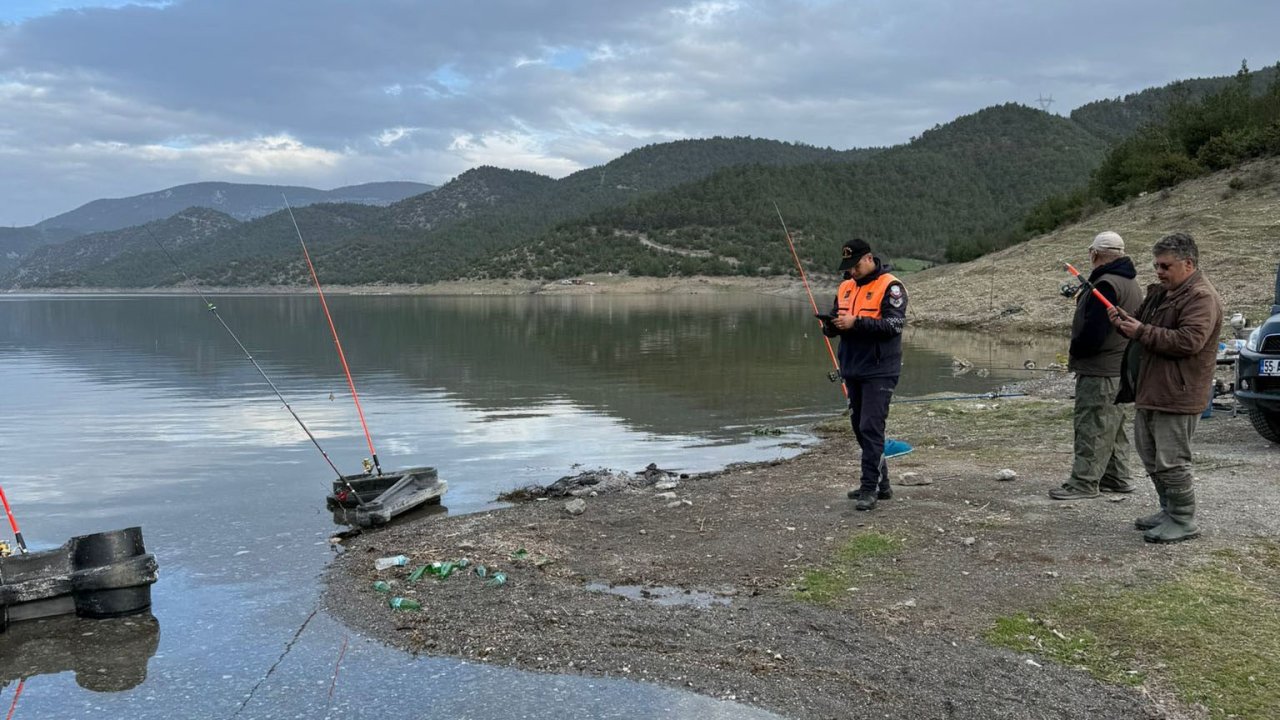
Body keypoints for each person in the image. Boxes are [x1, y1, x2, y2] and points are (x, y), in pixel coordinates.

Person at [1108, 232, 1223, 543]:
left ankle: (1184, 519)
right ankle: (1168, 509)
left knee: (1172, 460)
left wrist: (1142, 330)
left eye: (1165, 266)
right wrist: (1125, 322)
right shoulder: (1163, 293)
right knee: (1150, 455)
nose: (1158, 271)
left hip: (1178, 393)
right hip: (1152, 389)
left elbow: (1189, 341)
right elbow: (1145, 327)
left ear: (1188, 264)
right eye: (1156, 265)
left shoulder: (1201, 297)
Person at [1050, 231, 1143, 500]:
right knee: (1113, 426)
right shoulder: (1129, 281)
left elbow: (1094, 333)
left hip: (1101, 370)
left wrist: (1077, 352)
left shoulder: (1105, 284)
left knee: (1092, 425)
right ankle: (1117, 477)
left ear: (1094, 254)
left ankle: (1084, 483)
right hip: (1120, 369)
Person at [822, 238, 907, 511]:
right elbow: (839, 319)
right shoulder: (845, 286)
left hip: (880, 370)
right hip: (852, 367)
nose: (852, 272)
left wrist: (856, 322)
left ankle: (868, 488)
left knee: (871, 427)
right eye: (848, 267)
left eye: (856, 265)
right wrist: (830, 326)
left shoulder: (891, 286)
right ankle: (882, 485)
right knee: (860, 428)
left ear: (869, 259)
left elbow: (893, 325)